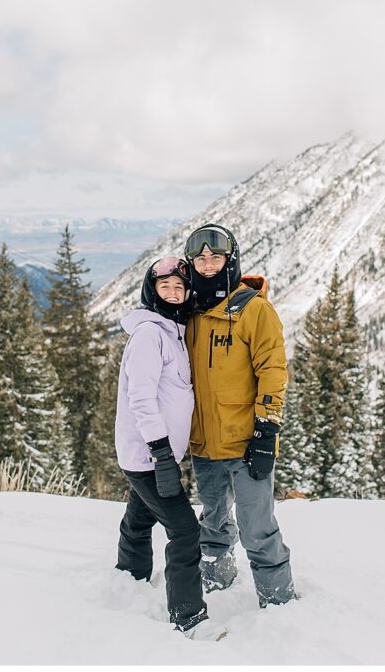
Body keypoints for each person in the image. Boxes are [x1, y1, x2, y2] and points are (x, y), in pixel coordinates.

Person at [182, 223, 297, 608]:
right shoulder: (190, 313)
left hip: (247, 441)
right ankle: (217, 581)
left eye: (216, 256)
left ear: (230, 259)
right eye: (200, 258)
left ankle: (279, 601)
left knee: (257, 527)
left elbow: (273, 369)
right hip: (204, 443)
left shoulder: (254, 309)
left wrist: (267, 428)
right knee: (213, 520)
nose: (208, 263)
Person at [114, 256, 227, 641]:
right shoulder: (150, 335)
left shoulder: (173, 331)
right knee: (184, 530)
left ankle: (127, 577)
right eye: (166, 287)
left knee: (140, 516)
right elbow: (141, 398)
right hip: (148, 455)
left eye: (180, 287)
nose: (174, 293)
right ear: (153, 291)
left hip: (152, 454)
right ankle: (189, 617)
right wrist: (161, 454)